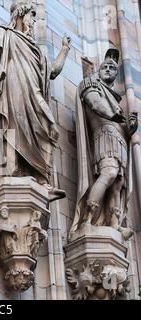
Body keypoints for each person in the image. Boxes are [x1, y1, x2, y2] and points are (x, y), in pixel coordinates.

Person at [0, 1, 71, 198]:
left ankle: (42, 178)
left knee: (49, 128)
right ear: (21, 15)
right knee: (13, 125)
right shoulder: (2, 32)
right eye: (31, 15)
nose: (33, 20)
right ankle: (11, 171)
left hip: (33, 90)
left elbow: (52, 71)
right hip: (13, 83)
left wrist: (64, 50)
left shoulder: (36, 49)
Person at [70, 49, 138, 240]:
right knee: (108, 173)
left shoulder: (115, 99)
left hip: (119, 141)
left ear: (116, 75)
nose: (108, 69)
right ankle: (87, 219)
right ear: (99, 70)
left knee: (118, 183)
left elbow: (122, 126)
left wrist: (130, 126)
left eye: (112, 68)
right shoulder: (91, 84)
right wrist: (113, 115)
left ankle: (115, 225)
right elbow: (95, 104)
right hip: (104, 136)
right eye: (105, 66)